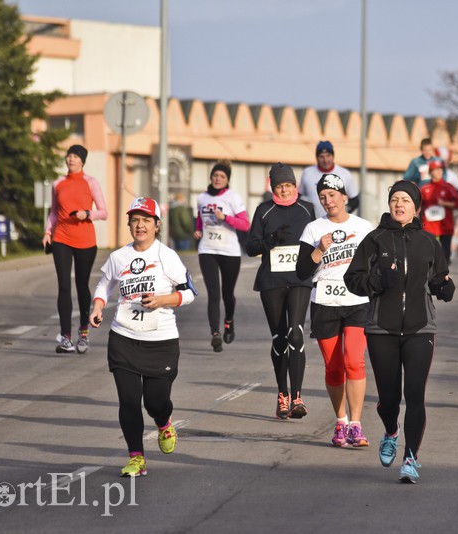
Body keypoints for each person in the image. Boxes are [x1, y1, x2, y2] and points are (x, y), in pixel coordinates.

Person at [344, 180, 455, 484]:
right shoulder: (375, 239)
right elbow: (352, 279)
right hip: (382, 328)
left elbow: (438, 278)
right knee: (389, 399)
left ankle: (411, 458)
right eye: (394, 199)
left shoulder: (429, 242)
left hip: (421, 328)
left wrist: (445, 287)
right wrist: (379, 281)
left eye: (405, 199)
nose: (399, 204)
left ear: (415, 206)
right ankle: (391, 431)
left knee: (414, 394)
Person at [89, 197, 197, 477]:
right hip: (123, 338)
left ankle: (164, 422)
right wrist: (99, 306)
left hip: (161, 341)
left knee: (155, 402)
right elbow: (105, 284)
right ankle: (136, 456)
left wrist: (163, 299)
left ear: (157, 225)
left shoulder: (167, 256)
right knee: (128, 401)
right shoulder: (119, 257)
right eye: (135, 220)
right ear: (129, 224)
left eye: (146, 220)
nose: (140, 225)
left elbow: (189, 293)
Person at [296, 173, 373, 447]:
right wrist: (319, 250)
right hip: (325, 302)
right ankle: (340, 421)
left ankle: (356, 424)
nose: (328, 201)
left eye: (332, 195)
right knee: (334, 368)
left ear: (344, 197)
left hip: (356, 302)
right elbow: (302, 271)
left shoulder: (364, 227)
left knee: (355, 360)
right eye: (323, 197)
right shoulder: (313, 229)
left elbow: (375, 264)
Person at [247, 163, 315, 419]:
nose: (284, 190)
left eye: (288, 185)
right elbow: (251, 247)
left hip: (299, 278)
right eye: (279, 186)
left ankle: (297, 397)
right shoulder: (264, 210)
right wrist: (268, 242)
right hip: (272, 281)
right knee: (279, 338)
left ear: (295, 186)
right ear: (273, 187)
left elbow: (319, 239)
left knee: (296, 333)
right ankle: (282, 395)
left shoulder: (306, 209)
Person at [42, 144, 108, 354]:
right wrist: (47, 233)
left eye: (75, 156)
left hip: (85, 240)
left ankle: (83, 332)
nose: (71, 159)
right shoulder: (58, 183)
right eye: (69, 156)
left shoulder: (91, 182)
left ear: (82, 161)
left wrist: (87, 214)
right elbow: (54, 212)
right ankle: (66, 338)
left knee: (81, 285)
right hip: (61, 237)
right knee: (63, 285)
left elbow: (104, 212)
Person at [195, 159, 250, 352]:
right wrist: (198, 231)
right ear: (211, 177)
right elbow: (200, 221)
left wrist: (225, 218)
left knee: (227, 295)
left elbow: (245, 224)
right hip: (207, 250)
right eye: (215, 175)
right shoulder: (201, 198)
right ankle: (215, 334)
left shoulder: (233, 197)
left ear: (227, 180)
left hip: (230, 252)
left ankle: (228, 321)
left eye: (222, 176)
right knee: (213, 295)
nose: (218, 179)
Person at [299, 140, 360, 216]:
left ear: (333, 156)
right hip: (314, 222)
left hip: (338, 222)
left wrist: (342, 212)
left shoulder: (344, 174)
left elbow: (355, 200)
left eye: (328, 156)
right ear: (317, 157)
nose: (325, 160)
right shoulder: (307, 173)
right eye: (321, 156)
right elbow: (299, 197)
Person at [420, 158, 458, 262]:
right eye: (436, 169)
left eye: (441, 169)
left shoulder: (448, 187)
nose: (439, 172)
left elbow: (457, 204)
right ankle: (430, 275)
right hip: (429, 226)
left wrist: (444, 203)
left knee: (445, 255)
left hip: (445, 225)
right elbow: (418, 205)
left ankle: (443, 275)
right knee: (429, 253)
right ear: (430, 172)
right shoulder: (425, 188)